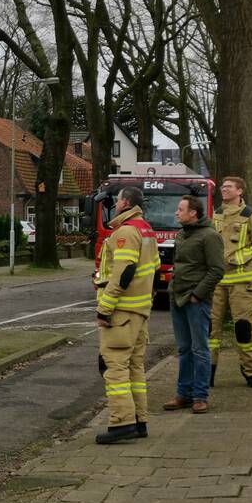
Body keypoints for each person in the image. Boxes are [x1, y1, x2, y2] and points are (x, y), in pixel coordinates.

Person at [94, 186, 159, 444]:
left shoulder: (125, 232)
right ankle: (140, 421)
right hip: (139, 311)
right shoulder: (146, 230)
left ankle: (122, 422)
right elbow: (152, 269)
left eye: (119, 199)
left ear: (125, 203)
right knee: (135, 367)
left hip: (122, 312)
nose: (116, 202)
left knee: (115, 367)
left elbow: (124, 272)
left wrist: (104, 308)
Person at [164, 195, 224, 414]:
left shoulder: (210, 236)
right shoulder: (181, 234)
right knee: (184, 349)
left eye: (180, 209)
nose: (176, 213)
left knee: (200, 349)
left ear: (193, 213)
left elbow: (217, 269)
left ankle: (200, 396)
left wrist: (198, 294)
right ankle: (183, 394)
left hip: (195, 301)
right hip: (177, 297)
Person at [210, 177, 252, 388]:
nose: (223, 190)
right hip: (216, 282)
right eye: (223, 187)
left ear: (240, 191)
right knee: (210, 329)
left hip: (242, 283)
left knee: (244, 328)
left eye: (228, 187)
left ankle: (251, 372)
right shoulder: (215, 214)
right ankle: (208, 370)